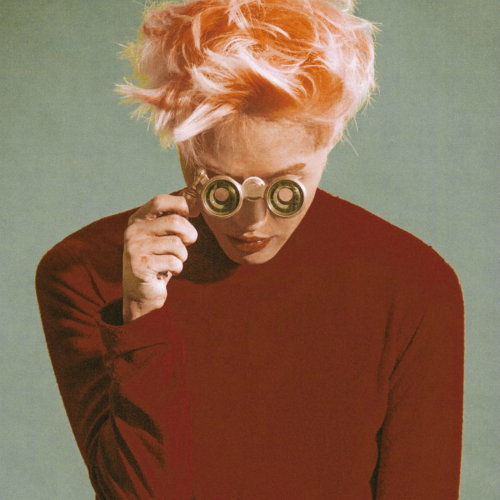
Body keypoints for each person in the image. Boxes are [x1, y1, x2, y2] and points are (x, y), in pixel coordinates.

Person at [35, 0, 465, 498]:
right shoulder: (86, 271)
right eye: (221, 187)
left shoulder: (412, 285)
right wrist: (141, 316)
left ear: (331, 138)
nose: (252, 221)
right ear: (183, 144)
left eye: (286, 188)